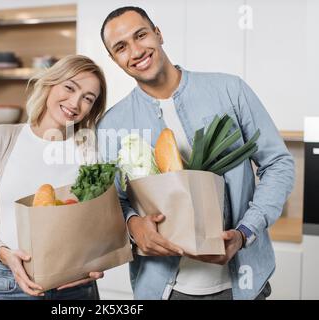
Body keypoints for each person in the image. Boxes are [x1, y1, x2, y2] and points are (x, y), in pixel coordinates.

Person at [97, 6, 295, 300]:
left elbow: (278, 164)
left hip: (243, 283)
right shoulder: (112, 124)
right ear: (114, 60)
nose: (136, 51)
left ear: (158, 34)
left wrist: (244, 232)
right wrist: (133, 225)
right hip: (165, 290)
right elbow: (115, 201)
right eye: (121, 47)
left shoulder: (229, 90)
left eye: (141, 35)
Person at [0, 55, 107, 300]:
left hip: (75, 285)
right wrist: (5, 254)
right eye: (69, 88)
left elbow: (101, 224)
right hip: (10, 283)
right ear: (50, 84)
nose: (75, 103)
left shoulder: (89, 150)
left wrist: (96, 261)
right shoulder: (1, 139)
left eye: (88, 99)